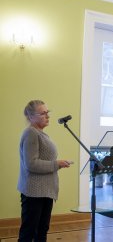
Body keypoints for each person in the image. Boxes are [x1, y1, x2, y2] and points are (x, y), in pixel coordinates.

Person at [17, 100, 71, 242]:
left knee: (42, 230)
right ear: (30, 116)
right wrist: (56, 164)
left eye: (48, 112)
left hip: (45, 191)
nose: (47, 116)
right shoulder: (31, 134)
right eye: (43, 113)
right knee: (29, 232)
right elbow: (31, 164)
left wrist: (58, 164)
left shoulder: (39, 133)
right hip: (34, 192)